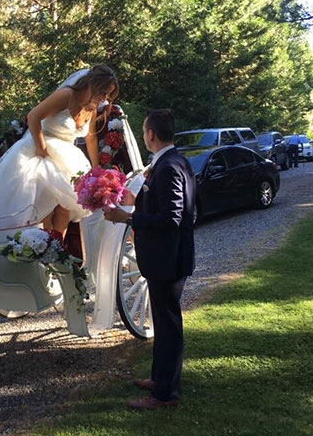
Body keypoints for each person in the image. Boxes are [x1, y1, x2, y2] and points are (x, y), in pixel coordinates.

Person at [104, 109, 195, 410]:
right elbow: (164, 204)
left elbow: (172, 218)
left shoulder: (168, 167)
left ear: (151, 134)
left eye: (144, 131)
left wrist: (127, 218)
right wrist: (136, 199)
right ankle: (160, 379)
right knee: (163, 322)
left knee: (168, 327)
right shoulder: (173, 161)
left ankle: (164, 395)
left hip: (167, 260)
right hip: (165, 258)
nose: (144, 135)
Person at [0, 65, 119, 234]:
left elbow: (91, 138)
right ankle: (41, 247)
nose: (105, 98)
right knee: (44, 204)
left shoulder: (91, 107)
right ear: (93, 84)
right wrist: (42, 150)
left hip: (67, 157)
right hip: (41, 151)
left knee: (66, 206)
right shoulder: (66, 95)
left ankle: (57, 249)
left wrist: (95, 167)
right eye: (104, 92)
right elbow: (34, 116)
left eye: (108, 94)